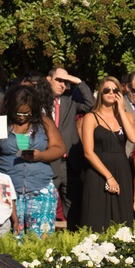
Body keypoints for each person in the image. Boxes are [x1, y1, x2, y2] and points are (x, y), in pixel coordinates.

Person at [0, 85, 65, 238]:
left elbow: (59, 148)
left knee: (40, 239)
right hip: (9, 190)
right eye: (17, 112)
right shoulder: (0, 123)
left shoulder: (43, 123)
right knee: (13, 238)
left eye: (26, 113)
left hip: (40, 188)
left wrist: (40, 156)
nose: (21, 117)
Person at [80, 77, 135, 231]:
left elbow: (133, 138)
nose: (111, 93)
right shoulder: (91, 117)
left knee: (122, 220)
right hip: (98, 172)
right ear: (100, 93)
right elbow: (88, 152)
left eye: (115, 90)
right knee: (97, 220)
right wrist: (109, 176)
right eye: (107, 90)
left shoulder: (126, 116)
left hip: (121, 170)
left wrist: (120, 110)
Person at [46, 67, 95, 228]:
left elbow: (90, 104)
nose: (62, 84)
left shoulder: (70, 101)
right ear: (48, 80)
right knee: (47, 203)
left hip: (69, 163)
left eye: (65, 82)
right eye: (58, 80)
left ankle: (73, 237)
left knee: (72, 204)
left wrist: (79, 82)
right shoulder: (40, 102)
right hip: (48, 160)